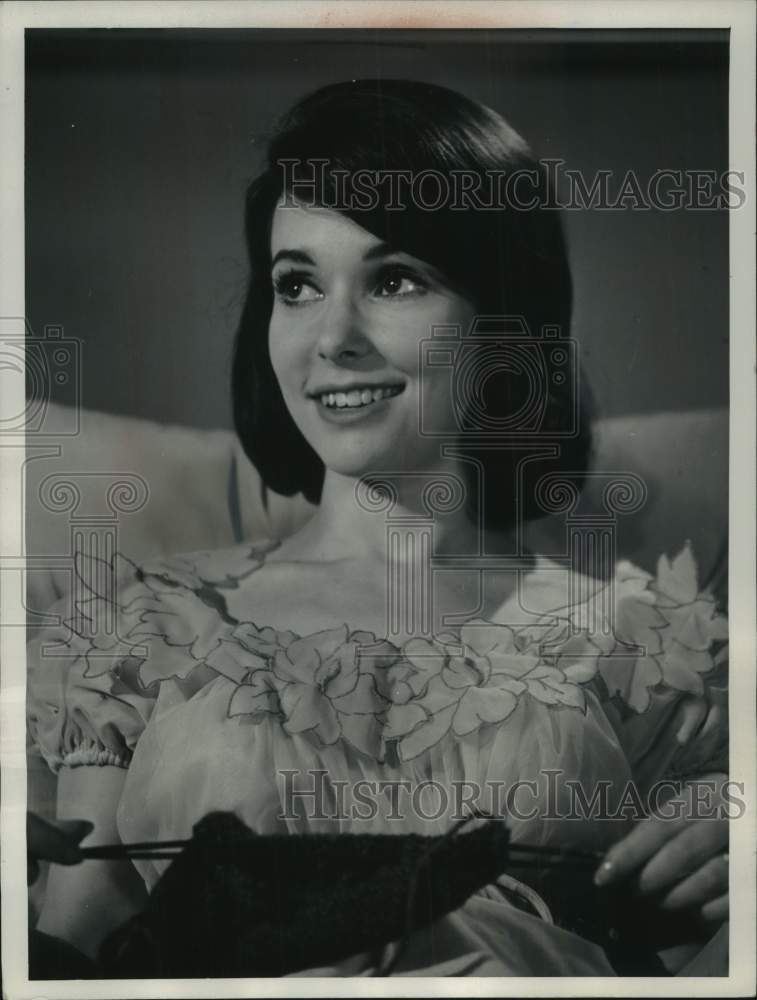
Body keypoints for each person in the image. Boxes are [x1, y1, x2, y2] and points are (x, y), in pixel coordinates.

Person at [26, 79, 729, 977]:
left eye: (394, 279)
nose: (333, 337)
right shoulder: (140, 625)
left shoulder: (651, 644)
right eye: (296, 285)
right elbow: (82, 952)